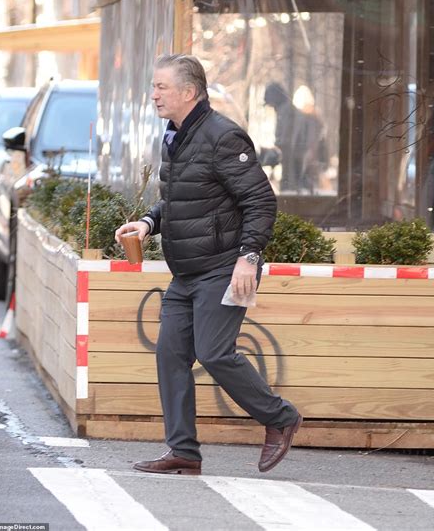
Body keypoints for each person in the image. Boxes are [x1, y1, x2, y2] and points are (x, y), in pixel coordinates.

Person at [115, 54, 302, 476]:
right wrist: (149, 222)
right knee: (170, 354)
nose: (154, 94)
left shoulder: (223, 137)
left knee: (215, 353)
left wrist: (248, 258)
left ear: (189, 91)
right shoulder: (176, 137)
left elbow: (260, 202)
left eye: (161, 86)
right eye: (153, 86)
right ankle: (183, 452)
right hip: (186, 271)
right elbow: (183, 199)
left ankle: (280, 417)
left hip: (224, 266)